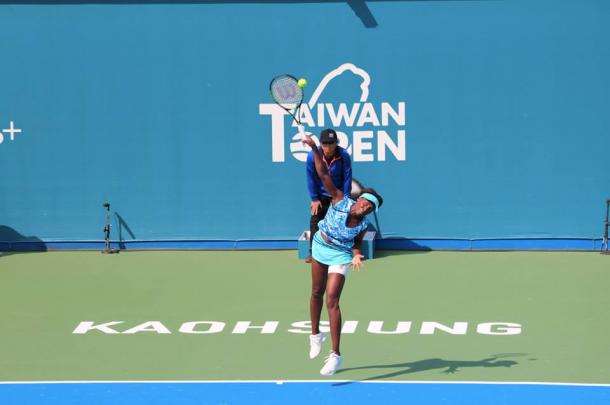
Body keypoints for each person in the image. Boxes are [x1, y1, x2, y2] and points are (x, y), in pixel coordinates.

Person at [301, 133, 383, 376]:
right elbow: (323, 175)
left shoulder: (362, 226)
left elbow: (356, 243)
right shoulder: (339, 200)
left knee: (332, 301)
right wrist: (315, 148)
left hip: (340, 256)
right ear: (358, 201)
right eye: (363, 203)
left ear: (369, 212)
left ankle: (336, 354)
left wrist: (357, 254)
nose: (363, 208)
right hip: (320, 246)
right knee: (316, 291)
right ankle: (315, 334)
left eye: (368, 208)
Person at [305, 128, 352, 263]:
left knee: (340, 224)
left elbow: (347, 177)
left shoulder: (344, 155)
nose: (328, 147)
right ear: (320, 143)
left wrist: (346, 198)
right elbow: (310, 178)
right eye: (325, 144)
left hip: (338, 196)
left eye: (331, 143)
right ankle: (313, 253)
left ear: (336, 143)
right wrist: (314, 198)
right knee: (315, 220)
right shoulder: (312, 156)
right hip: (320, 196)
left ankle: (341, 251)